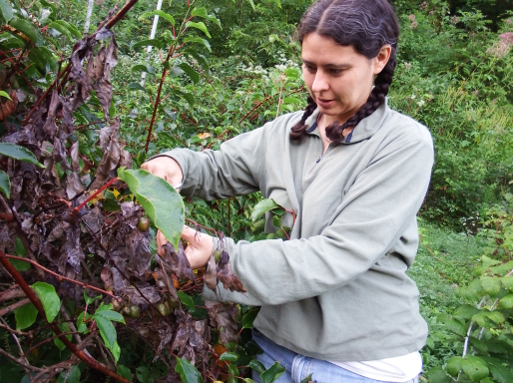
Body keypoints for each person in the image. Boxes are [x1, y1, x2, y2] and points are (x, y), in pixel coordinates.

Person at [142, 0, 434, 382]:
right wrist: (174, 166)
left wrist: (220, 258)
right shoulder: (288, 132)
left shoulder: (403, 144)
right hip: (270, 351)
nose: (317, 84)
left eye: (336, 69)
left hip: (360, 366)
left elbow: (338, 254)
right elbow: (216, 167)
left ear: (380, 58)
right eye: (309, 66)